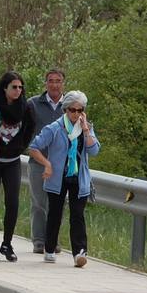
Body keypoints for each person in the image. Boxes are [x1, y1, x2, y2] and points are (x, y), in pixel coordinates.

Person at [28, 91, 99, 265]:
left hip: (78, 177)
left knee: (77, 215)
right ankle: (50, 248)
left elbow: (94, 150)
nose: (75, 114)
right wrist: (47, 164)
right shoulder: (55, 128)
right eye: (72, 110)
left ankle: (80, 253)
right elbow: (34, 147)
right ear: (65, 110)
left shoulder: (85, 128)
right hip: (57, 178)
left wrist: (86, 131)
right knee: (55, 213)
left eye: (79, 110)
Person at [0, 71, 37, 262]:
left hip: (12, 160)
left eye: (20, 87)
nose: (18, 91)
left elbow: (30, 128)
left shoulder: (25, 108)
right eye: (14, 87)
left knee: (12, 202)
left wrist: (21, 146)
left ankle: (7, 243)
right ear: (4, 88)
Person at [27, 70, 66, 254]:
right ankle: (39, 241)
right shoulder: (34, 104)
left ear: (63, 83)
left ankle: (53, 240)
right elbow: (26, 131)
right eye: (51, 81)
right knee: (39, 203)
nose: (55, 85)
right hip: (38, 161)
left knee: (57, 204)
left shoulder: (70, 105)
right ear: (45, 83)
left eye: (58, 81)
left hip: (61, 163)